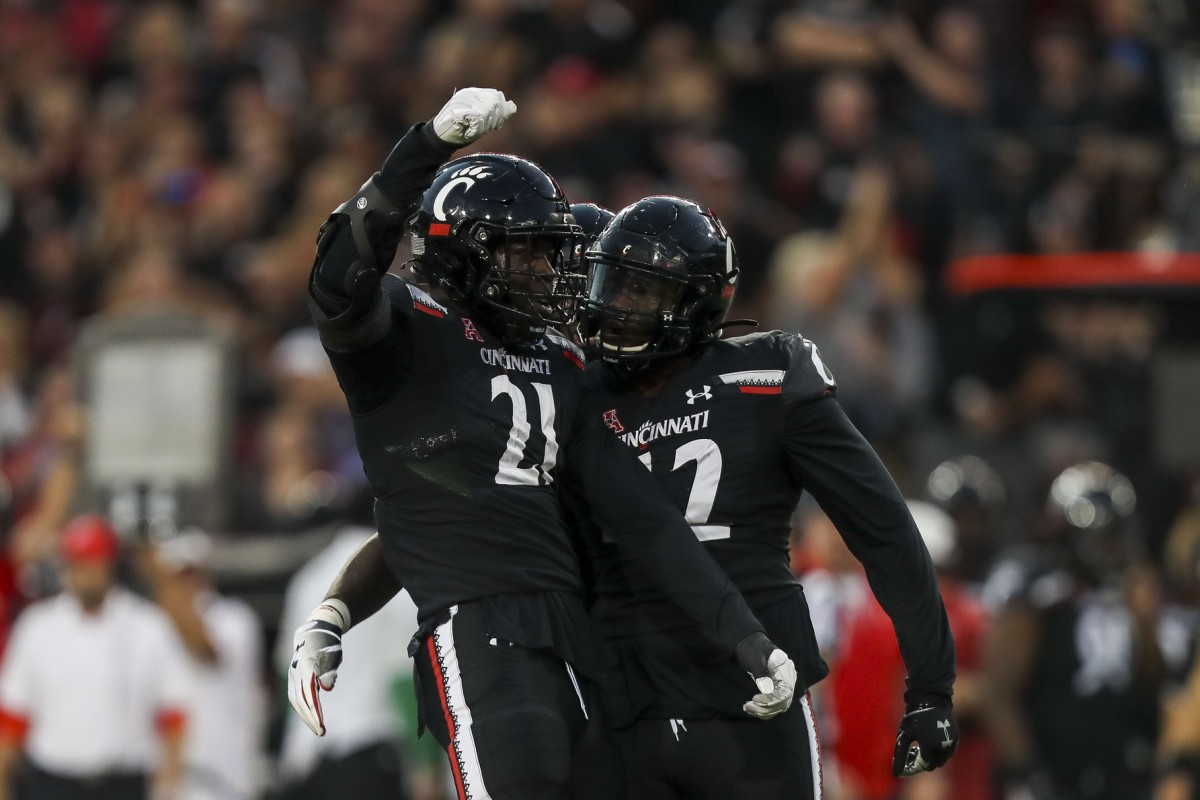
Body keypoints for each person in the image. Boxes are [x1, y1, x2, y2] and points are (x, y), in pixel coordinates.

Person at [288, 88, 797, 800]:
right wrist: (426, 145)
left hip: (582, 638)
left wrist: (746, 636)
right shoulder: (412, 330)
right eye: (526, 251)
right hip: (482, 627)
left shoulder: (559, 359)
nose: (547, 273)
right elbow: (338, 276)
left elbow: (642, 518)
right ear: (462, 249)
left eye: (551, 253)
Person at [575, 195, 959, 799]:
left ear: (698, 302)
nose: (618, 307)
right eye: (613, 284)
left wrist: (931, 685)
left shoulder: (766, 374)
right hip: (621, 700)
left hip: (750, 693)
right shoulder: (577, 389)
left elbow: (882, 528)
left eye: (641, 291)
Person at [984, 461, 1187, 800]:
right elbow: (1001, 693)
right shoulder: (1039, 593)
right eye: (1099, 535)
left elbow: (1157, 685)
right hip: (1055, 773)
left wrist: (1143, 621)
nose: (1107, 546)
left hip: (1125, 772)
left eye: (1112, 535)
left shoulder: (1133, 592)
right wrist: (1026, 773)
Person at [0, 515, 191, 800]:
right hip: (54, 781)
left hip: (123, 781)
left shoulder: (147, 624)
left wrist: (170, 780)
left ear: (110, 565)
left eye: (95, 563)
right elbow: (13, 714)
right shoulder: (38, 626)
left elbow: (173, 710)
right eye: (79, 564)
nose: (87, 574)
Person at [276, 523, 430, 800]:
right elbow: (403, 677)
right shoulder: (391, 577)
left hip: (308, 758)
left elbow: (286, 674)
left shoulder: (307, 580)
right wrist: (426, 762)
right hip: (368, 751)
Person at [144, 529, 265, 800]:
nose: (185, 582)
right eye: (178, 575)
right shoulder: (153, 624)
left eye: (190, 572)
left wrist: (161, 581)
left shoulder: (234, 619)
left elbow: (205, 648)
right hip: (172, 781)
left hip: (225, 780)